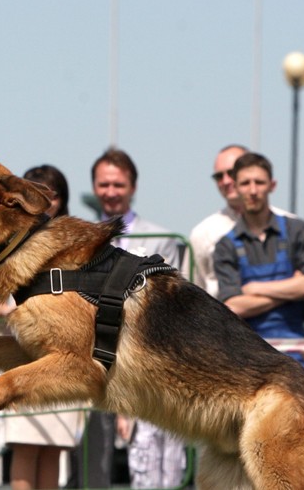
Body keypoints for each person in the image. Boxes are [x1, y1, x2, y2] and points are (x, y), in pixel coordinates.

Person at [87, 148, 187, 490]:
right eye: (104, 184)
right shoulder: (81, 236)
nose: (111, 191)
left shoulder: (160, 238)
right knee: (93, 461)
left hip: (145, 359)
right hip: (93, 359)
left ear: (132, 186)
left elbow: (171, 304)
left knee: (155, 465)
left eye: (118, 184)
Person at [0, 165, 86, 490]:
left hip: (66, 355)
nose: (46, 199)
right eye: (37, 191)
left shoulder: (75, 240)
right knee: (25, 444)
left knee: (54, 448)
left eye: (53, 194)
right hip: (26, 353)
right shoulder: (10, 240)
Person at [212, 152, 304, 364]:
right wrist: (290, 291)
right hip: (246, 358)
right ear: (236, 187)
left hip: (295, 354)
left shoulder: (298, 231)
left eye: (259, 182)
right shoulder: (225, 246)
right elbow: (233, 307)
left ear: (272, 185)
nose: (253, 190)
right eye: (245, 183)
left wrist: (255, 288)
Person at [189, 144, 248, 296]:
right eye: (219, 176)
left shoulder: (288, 226)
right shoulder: (202, 233)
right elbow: (194, 290)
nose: (226, 181)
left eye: (232, 172)